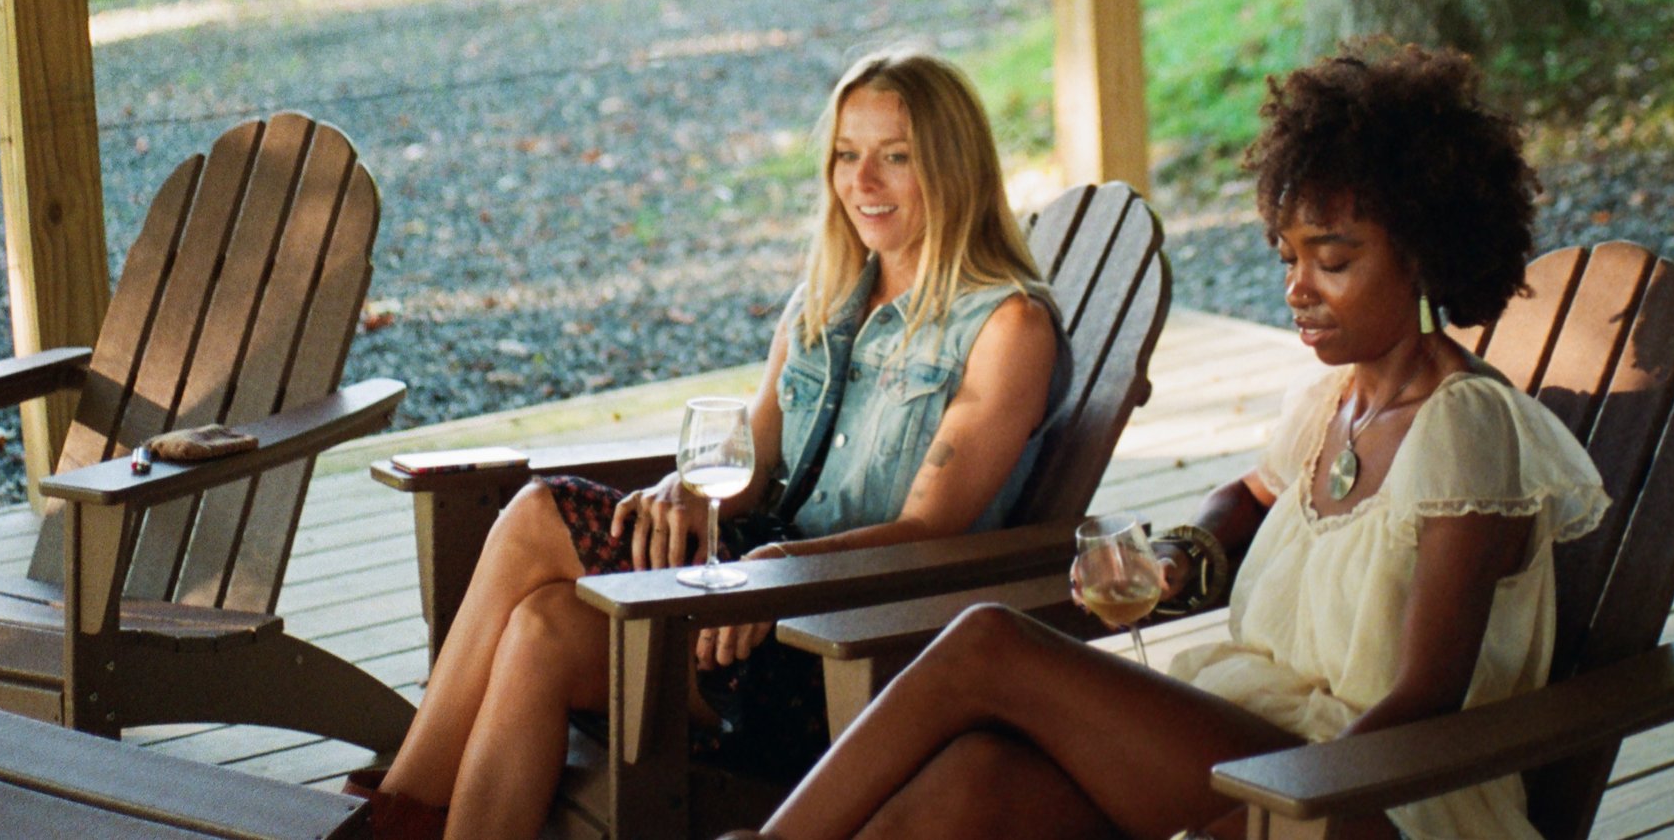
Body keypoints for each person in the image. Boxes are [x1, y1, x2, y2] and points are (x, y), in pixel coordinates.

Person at [729, 44, 1607, 840]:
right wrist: (1174, 559)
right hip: (1257, 744)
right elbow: (1249, 501)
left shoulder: (1464, 428)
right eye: (1287, 257)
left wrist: (1277, 813)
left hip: (1367, 797)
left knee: (988, 642)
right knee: (975, 782)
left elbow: (1426, 698)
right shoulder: (1331, 404)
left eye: (1332, 262)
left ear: (1425, 256)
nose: (1299, 288)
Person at [366, 49, 1070, 840]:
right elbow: (755, 458)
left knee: (538, 514)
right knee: (541, 627)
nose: (862, 182)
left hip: (847, 642)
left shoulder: (1007, 326)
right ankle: (413, 817)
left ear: (952, 166)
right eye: (846, 155)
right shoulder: (828, 298)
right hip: (747, 595)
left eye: (895, 158)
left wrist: (782, 569)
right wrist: (687, 488)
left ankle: (397, 814)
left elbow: (931, 532)